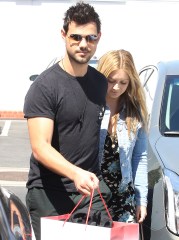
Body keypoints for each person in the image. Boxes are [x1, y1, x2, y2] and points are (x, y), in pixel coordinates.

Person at [23, 2, 111, 240]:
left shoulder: (100, 83)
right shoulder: (44, 87)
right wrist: (75, 173)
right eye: (76, 37)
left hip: (89, 193)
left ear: (98, 38)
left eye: (90, 38)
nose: (83, 44)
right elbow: (40, 147)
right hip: (49, 193)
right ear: (64, 35)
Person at [97, 49, 148, 224]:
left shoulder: (135, 111)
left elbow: (140, 157)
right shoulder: (90, 106)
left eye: (123, 82)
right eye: (111, 81)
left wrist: (141, 200)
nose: (116, 87)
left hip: (123, 196)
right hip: (93, 195)